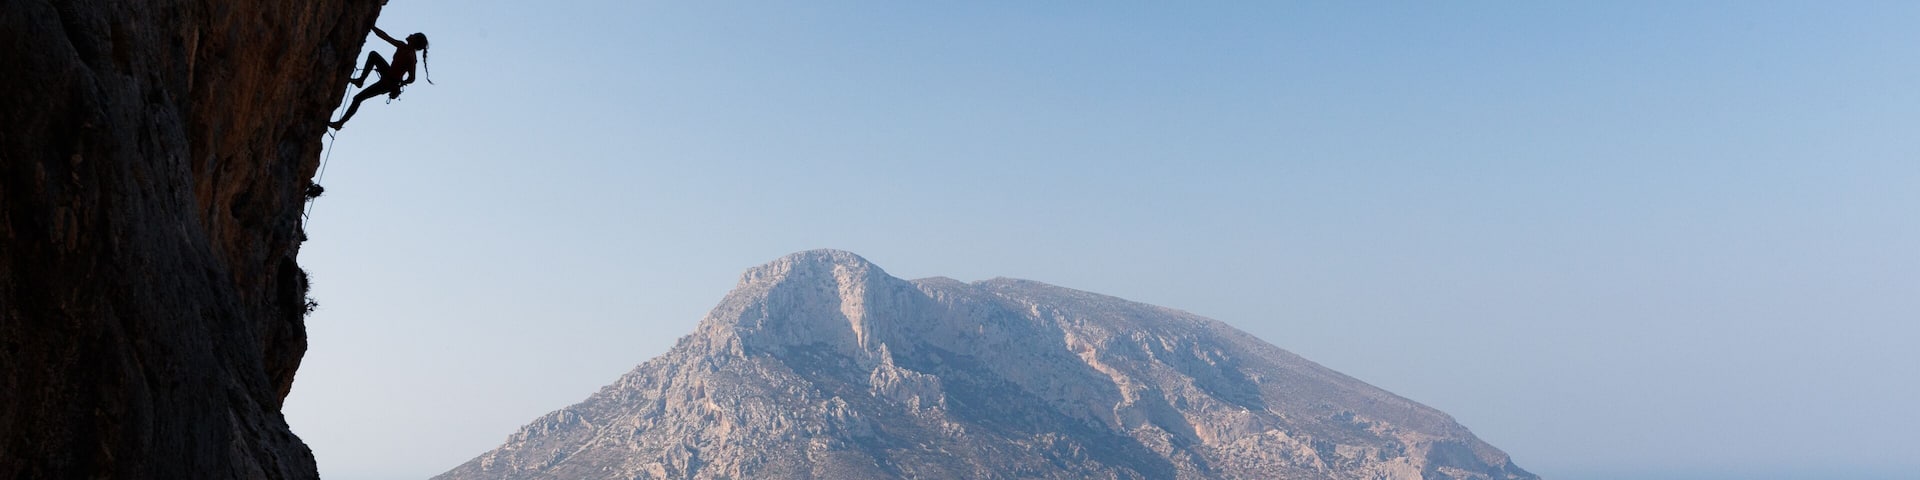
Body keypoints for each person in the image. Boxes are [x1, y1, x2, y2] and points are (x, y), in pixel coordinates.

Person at [329, 26, 430, 130]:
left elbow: (412, 78)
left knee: (358, 98)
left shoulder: (411, 57)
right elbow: (385, 36)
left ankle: (339, 124)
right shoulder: (402, 46)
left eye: (413, 35)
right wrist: (372, 26)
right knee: (373, 55)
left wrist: (399, 83)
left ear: (415, 41)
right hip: (389, 76)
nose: (410, 34)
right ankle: (360, 80)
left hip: (389, 83)